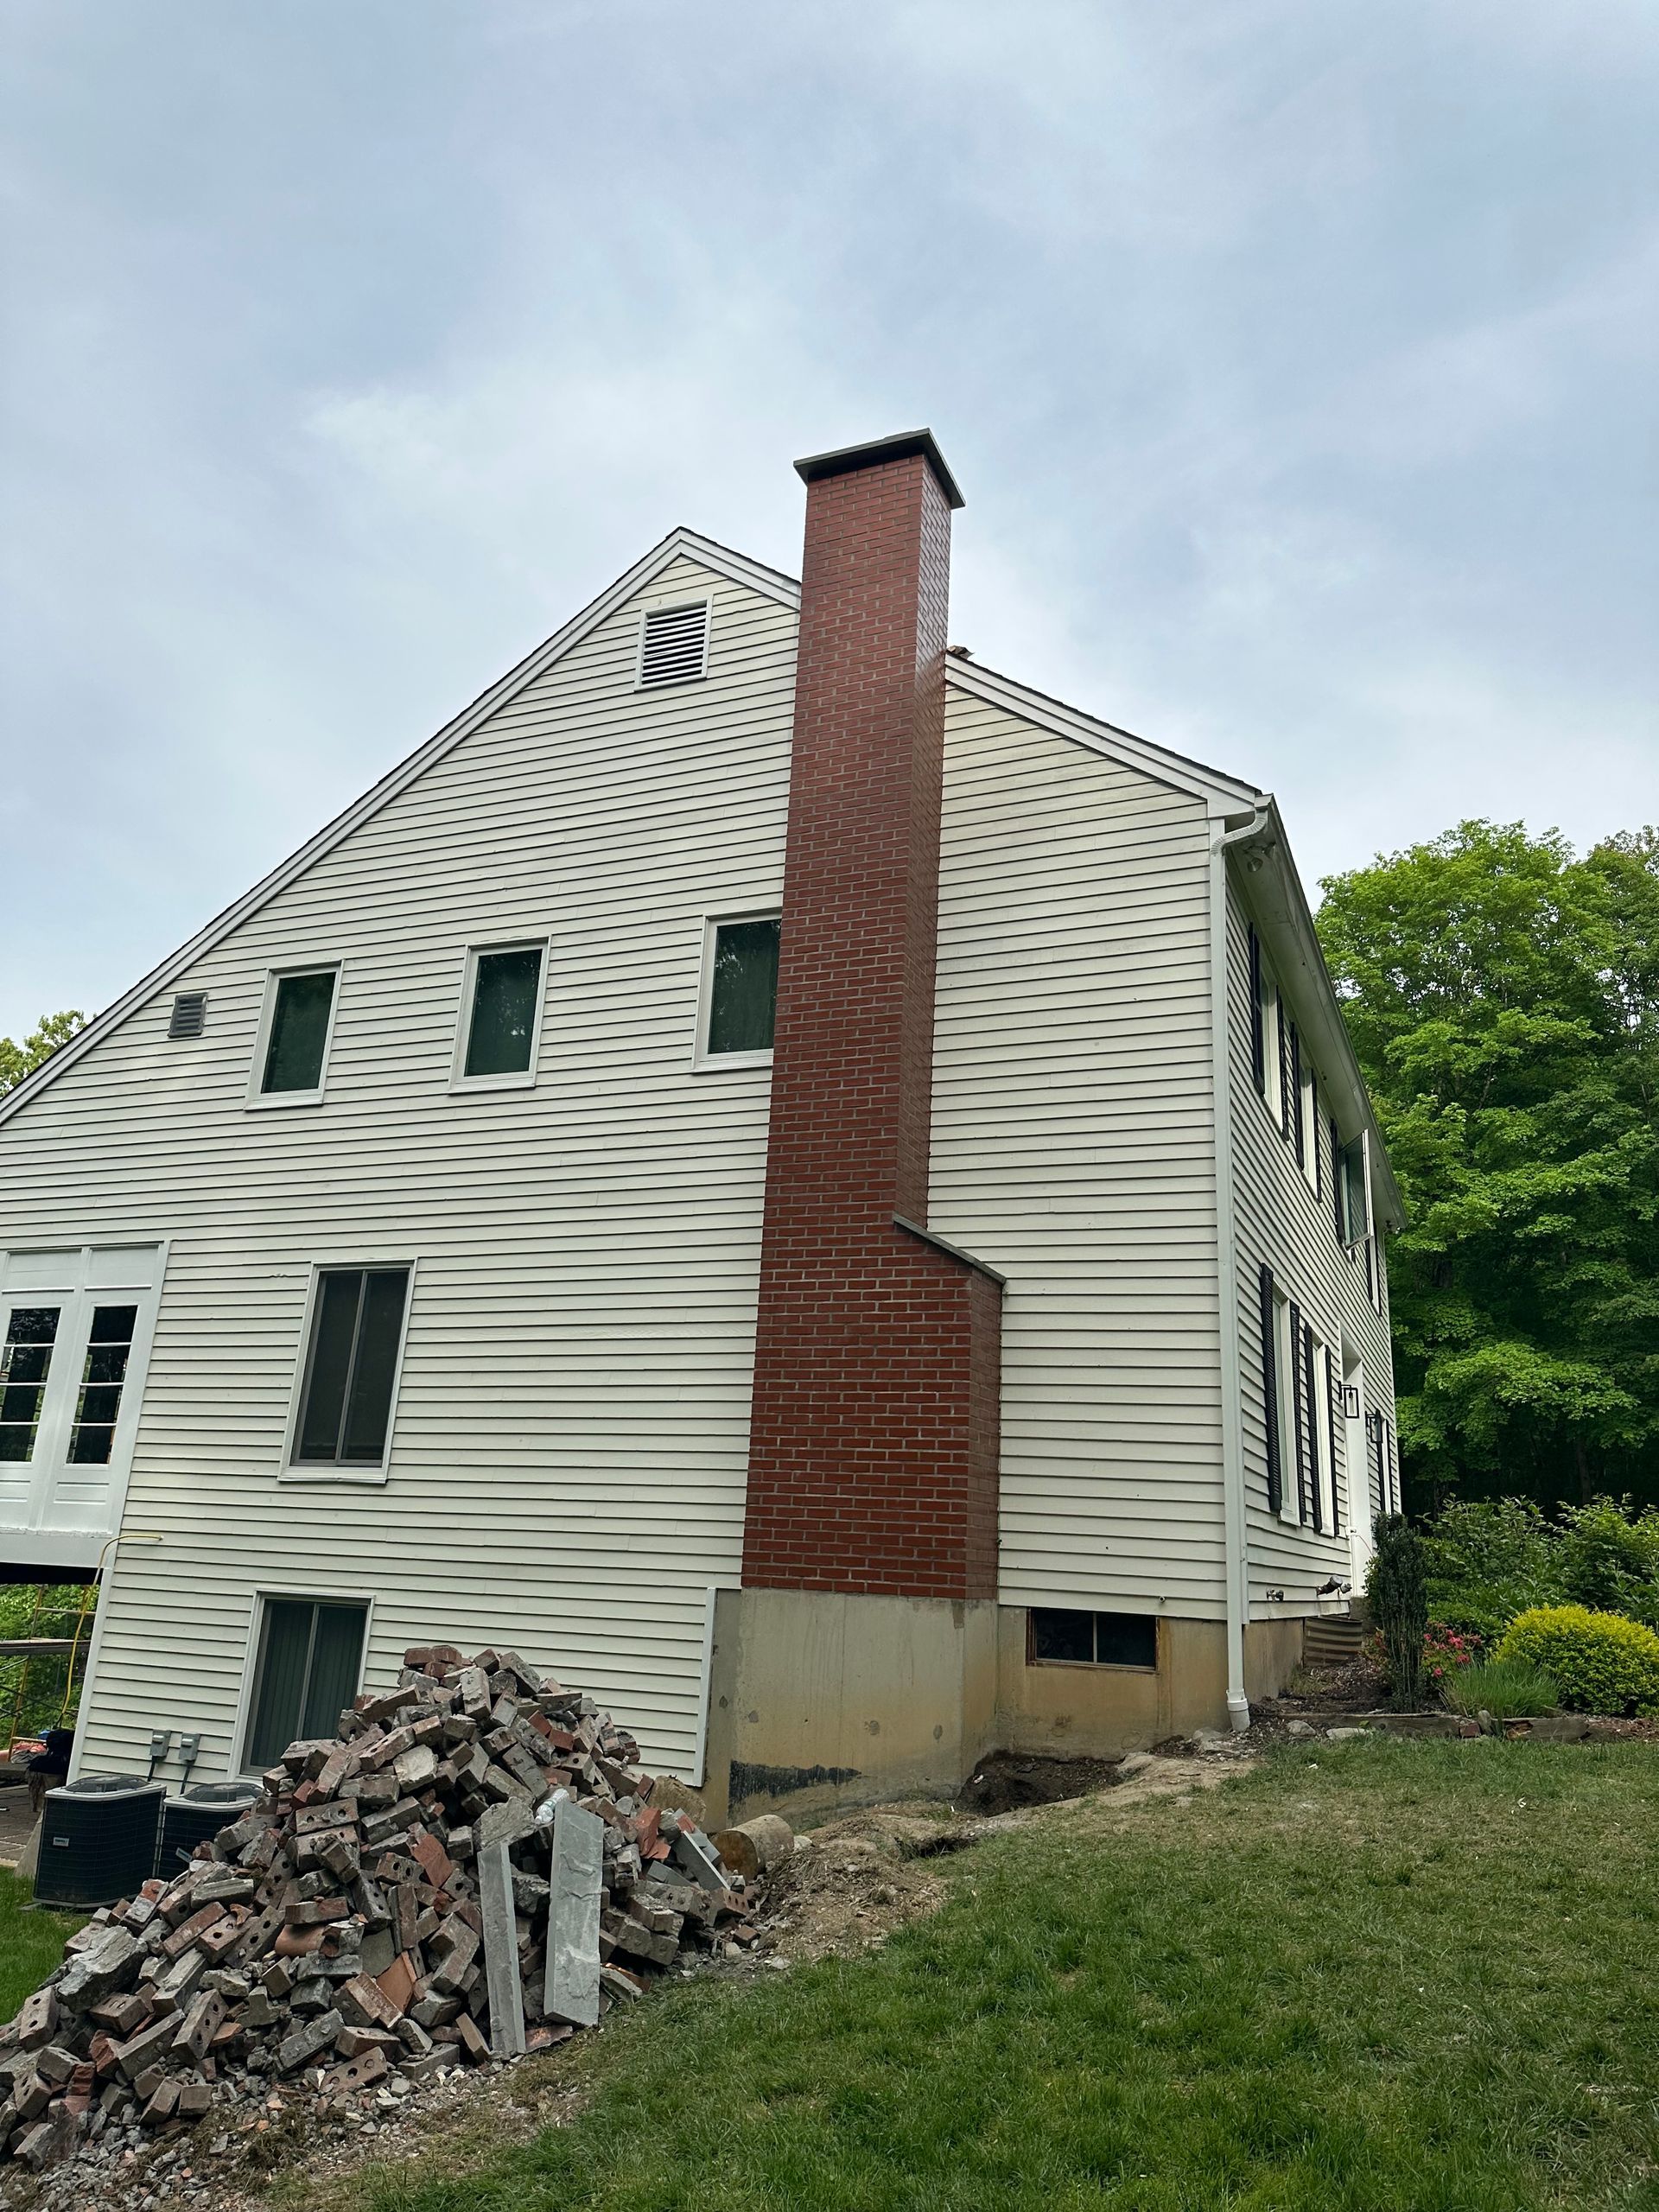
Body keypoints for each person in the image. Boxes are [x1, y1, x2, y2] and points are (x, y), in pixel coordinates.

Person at [25, 1727, 73, 1816]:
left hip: (38, 1771)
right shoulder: (65, 1760)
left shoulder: (39, 1760)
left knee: (42, 1800)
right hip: (54, 1772)